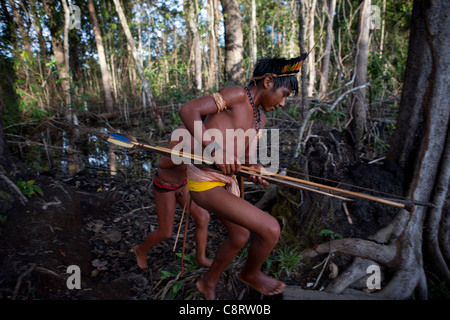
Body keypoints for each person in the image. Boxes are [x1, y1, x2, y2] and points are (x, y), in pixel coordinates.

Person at [178, 56, 303, 300]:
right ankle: (250, 274)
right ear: (268, 81)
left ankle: (208, 282)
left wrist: (254, 167)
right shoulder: (235, 95)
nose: (284, 103)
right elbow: (188, 110)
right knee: (270, 228)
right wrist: (214, 149)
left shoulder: (260, 119)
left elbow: (244, 155)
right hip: (204, 179)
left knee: (240, 235)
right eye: (284, 94)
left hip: (224, 183)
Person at [134, 129, 213, 269]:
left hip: (183, 184)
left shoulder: (210, 132)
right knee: (166, 232)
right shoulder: (182, 133)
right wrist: (186, 156)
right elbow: (163, 163)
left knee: (203, 217)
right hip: (166, 186)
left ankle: (200, 258)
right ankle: (141, 250)